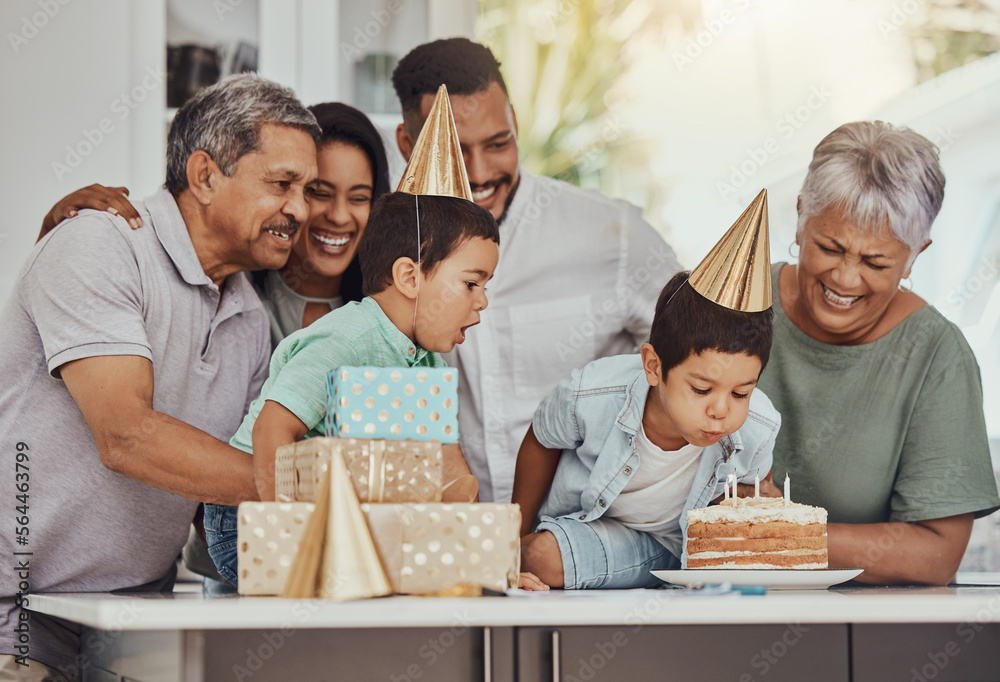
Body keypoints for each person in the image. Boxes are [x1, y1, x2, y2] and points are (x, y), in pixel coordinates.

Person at [0, 73, 319, 678]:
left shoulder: (248, 316)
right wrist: (319, 489)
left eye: (306, 189)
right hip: (17, 614)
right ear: (204, 175)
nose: (299, 210)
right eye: (282, 184)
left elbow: (219, 489)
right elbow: (126, 434)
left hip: (132, 617)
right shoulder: (100, 244)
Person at [391, 38, 682, 504]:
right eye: (458, 151)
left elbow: (702, 357)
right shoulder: (390, 249)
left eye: (498, 143)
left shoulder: (616, 236)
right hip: (453, 548)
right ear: (408, 145)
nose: (480, 172)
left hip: (592, 534)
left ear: (516, 126)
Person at [204, 191, 500, 587]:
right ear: (410, 277)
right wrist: (289, 531)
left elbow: (450, 473)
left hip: (343, 518)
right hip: (248, 518)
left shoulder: (428, 363)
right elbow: (272, 430)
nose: (483, 301)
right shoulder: (345, 339)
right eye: (471, 283)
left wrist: (483, 561)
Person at [757, 121, 1000, 585]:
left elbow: (934, 555)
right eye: (831, 247)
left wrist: (779, 535)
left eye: (875, 262)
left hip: (868, 630)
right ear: (801, 215)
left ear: (914, 256)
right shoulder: (728, 306)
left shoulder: (936, 356)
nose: (845, 280)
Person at [39, 102, 392, 350]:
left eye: (360, 198)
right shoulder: (236, 284)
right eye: (317, 191)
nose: (339, 216)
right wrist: (59, 226)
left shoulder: (391, 308)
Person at [513, 266, 780, 590]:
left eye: (741, 393)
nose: (721, 410)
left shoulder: (759, 426)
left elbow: (752, 491)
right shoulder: (591, 394)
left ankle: (679, 570)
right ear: (654, 367)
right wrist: (511, 547)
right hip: (594, 528)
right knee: (538, 556)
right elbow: (541, 441)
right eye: (701, 389)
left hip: (688, 544)